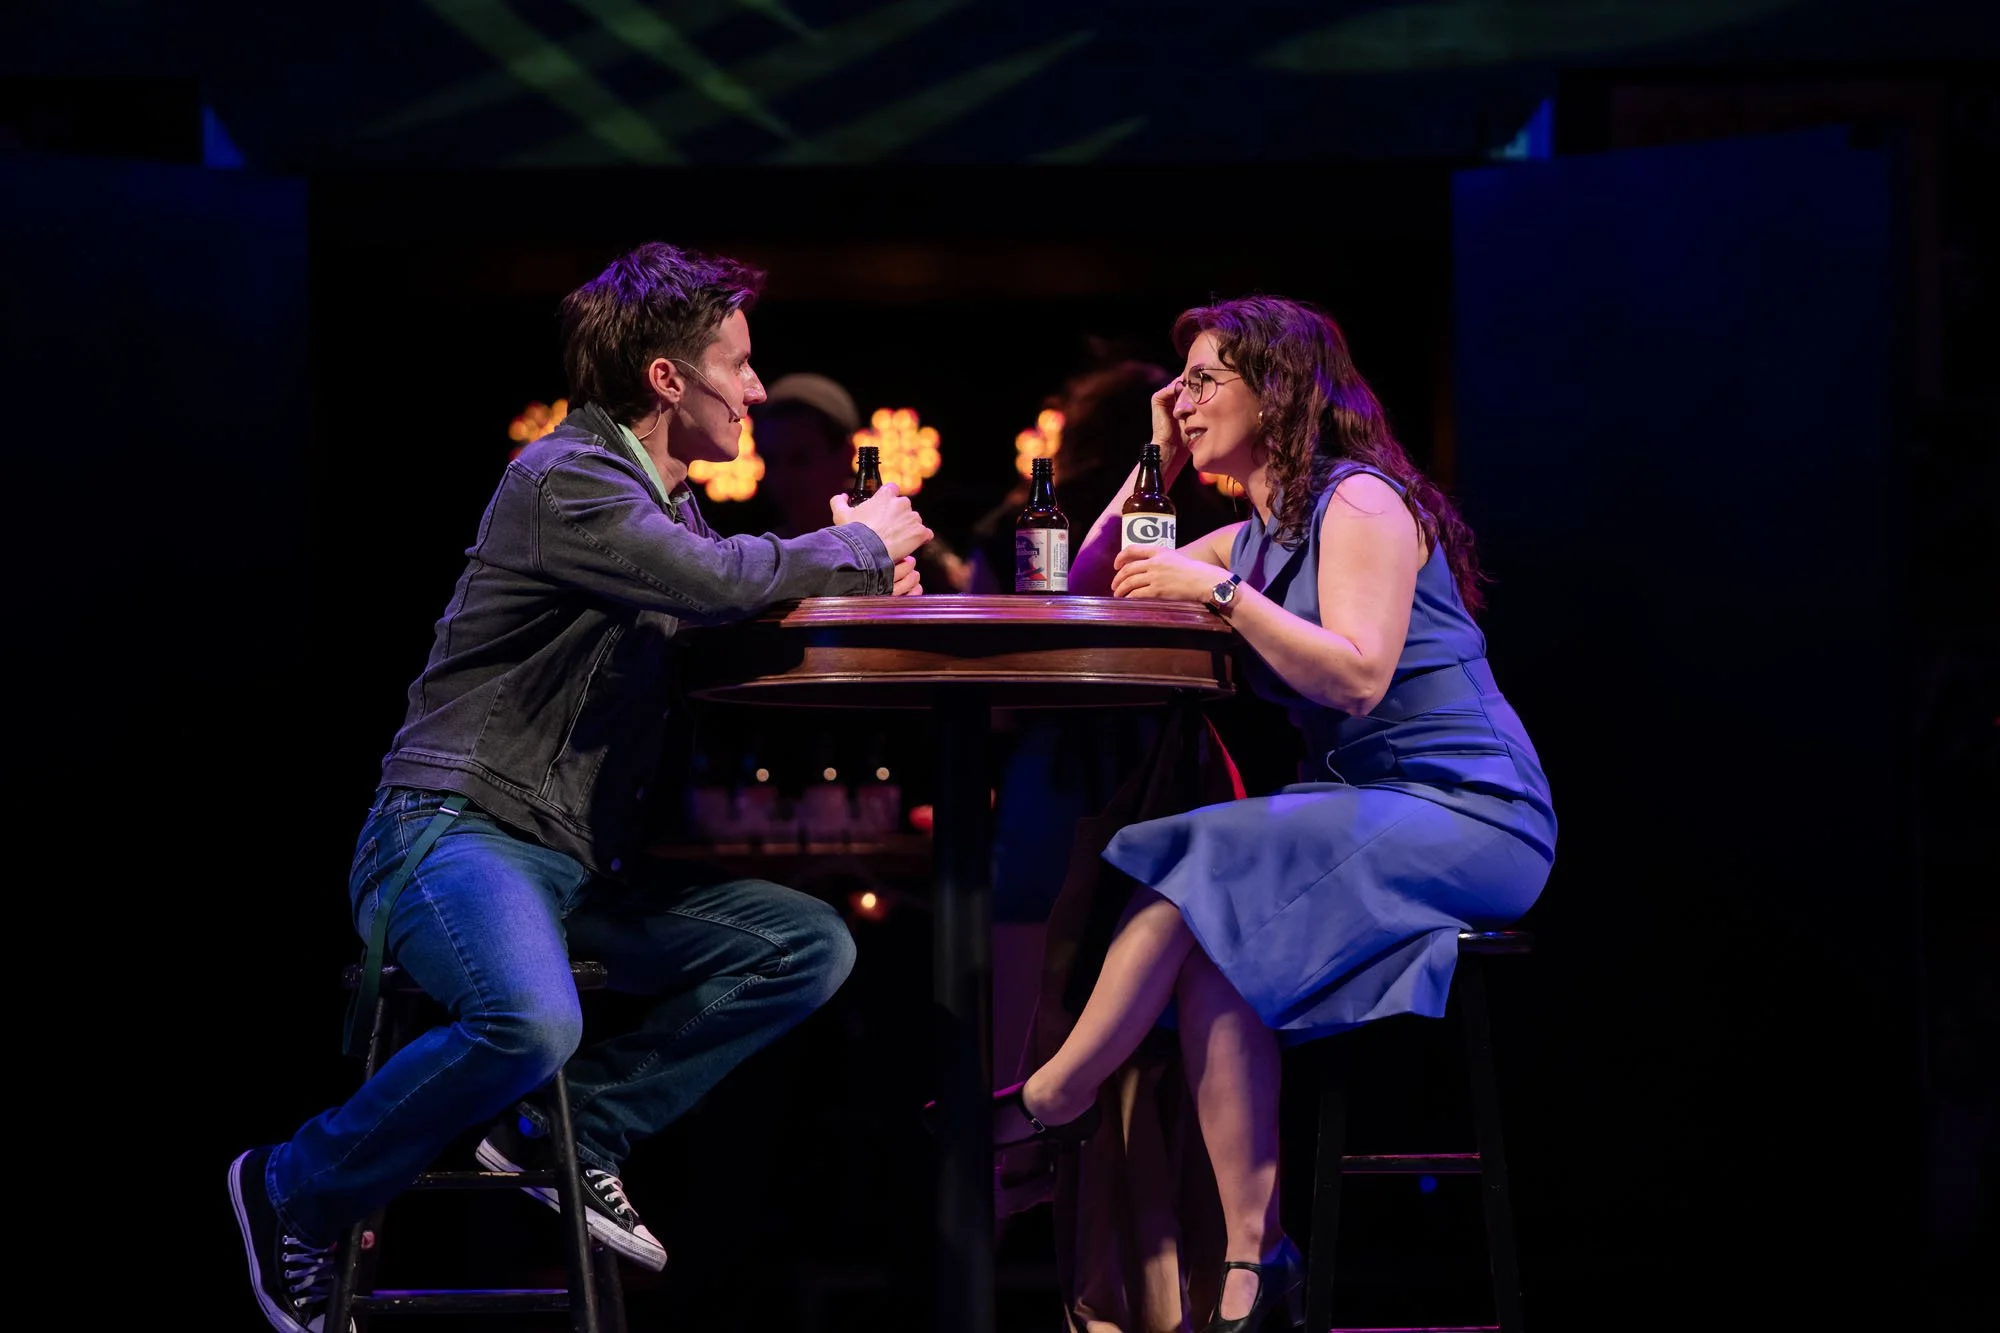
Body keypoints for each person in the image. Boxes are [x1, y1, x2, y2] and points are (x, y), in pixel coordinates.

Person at [227, 240, 933, 1333]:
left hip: (563, 870)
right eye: (737, 364)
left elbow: (725, 617)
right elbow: (710, 582)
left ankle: (571, 1132)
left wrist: (869, 588)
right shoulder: (564, 477)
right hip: (451, 836)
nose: (754, 388)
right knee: (529, 1019)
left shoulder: (667, 515)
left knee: (805, 943)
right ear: (666, 378)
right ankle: (292, 1186)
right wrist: (848, 541)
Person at [998, 295, 1557, 1332]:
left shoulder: (1359, 503)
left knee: (1199, 846)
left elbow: (1354, 678)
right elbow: (1081, 593)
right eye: (1179, 384)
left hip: (1470, 808)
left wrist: (1217, 598)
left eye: (1204, 379)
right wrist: (1152, 455)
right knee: (1218, 936)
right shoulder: (1258, 531)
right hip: (1364, 809)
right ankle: (1256, 1265)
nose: (1182, 396)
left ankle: (1045, 1102)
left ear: (1280, 391)